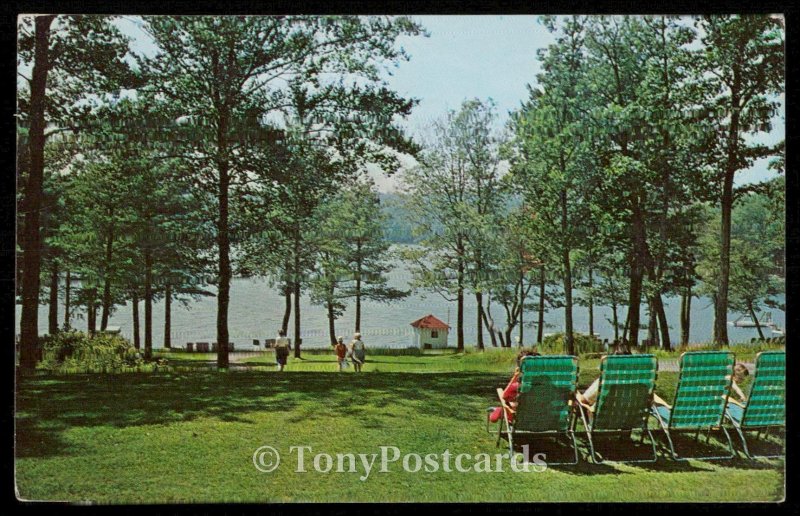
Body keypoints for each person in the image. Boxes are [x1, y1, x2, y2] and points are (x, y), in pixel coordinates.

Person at [488, 349, 539, 424]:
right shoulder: (549, 386)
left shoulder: (517, 386)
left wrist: (514, 377)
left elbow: (505, 396)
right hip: (540, 417)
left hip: (518, 416)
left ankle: (498, 410)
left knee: (503, 407)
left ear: (520, 367)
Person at [575, 340, 631, 407]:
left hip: (606, 416)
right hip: (633, 415)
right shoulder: (638, 381)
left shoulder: (606, 380)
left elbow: (584, 400)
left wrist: (576, 394)